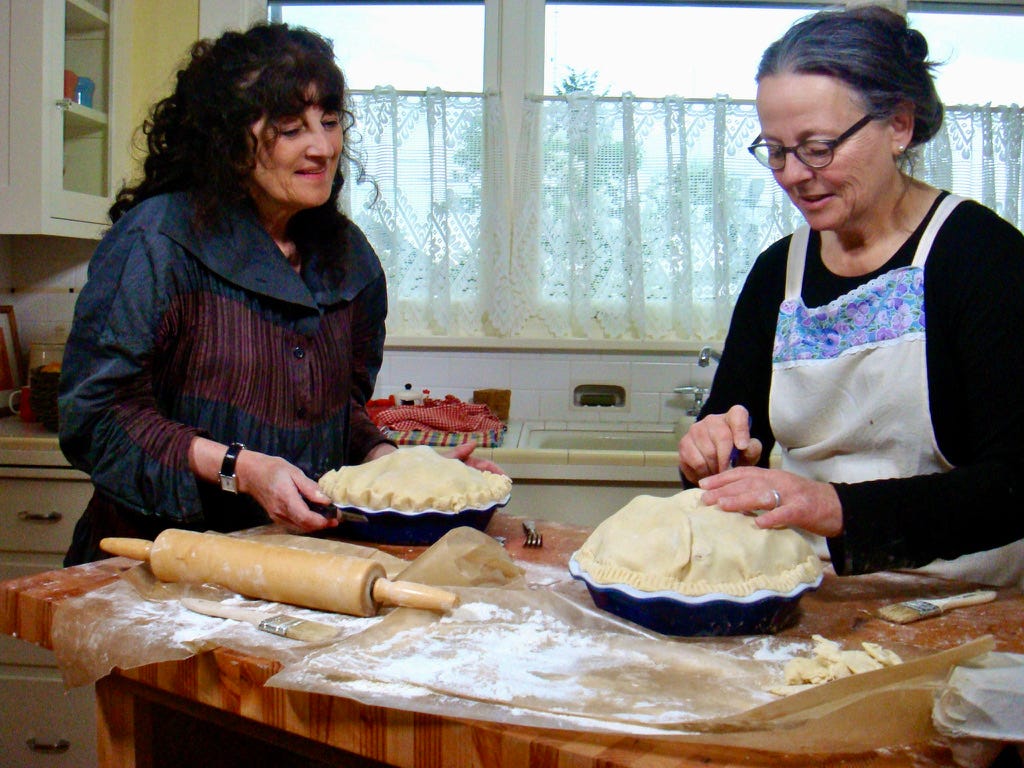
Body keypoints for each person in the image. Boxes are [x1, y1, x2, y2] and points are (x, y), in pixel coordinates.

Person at [58, 23, 500, 566]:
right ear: (229, 140)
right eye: (291, 127)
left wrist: (405, 471)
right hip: (152, 567)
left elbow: (338, 415)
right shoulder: (156, 243)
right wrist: (240, 468)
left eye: (330, 121)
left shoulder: (351, 259)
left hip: (290, 566)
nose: (323, 146)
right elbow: (97, 418)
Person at [678, 5, 1024, 588]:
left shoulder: (982, 258)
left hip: (964, 610)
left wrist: (835, 508)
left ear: (898, 126)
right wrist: (708, 453)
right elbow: (736, 444)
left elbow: (1015, 483)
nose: (793, 174)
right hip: (807, 595)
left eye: (818, 146)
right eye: (777, 151)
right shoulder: (776, 275)